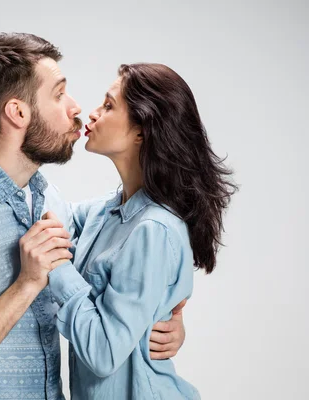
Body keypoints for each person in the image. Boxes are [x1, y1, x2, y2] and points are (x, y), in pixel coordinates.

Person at [0, 33, 187, 399]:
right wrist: (26, 284)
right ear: (18, 113)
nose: (77, 108)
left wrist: (159, 316)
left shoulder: (46, 198)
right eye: (59, 94)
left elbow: (130, 234)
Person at [45, 63, 237, 399]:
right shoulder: (107, 210)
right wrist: (5, 158)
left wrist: (55, 265)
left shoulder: (154, 230)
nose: (92, 114)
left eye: (108, 106)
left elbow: (103, 352)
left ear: (141, 131)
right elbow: (52, 213)